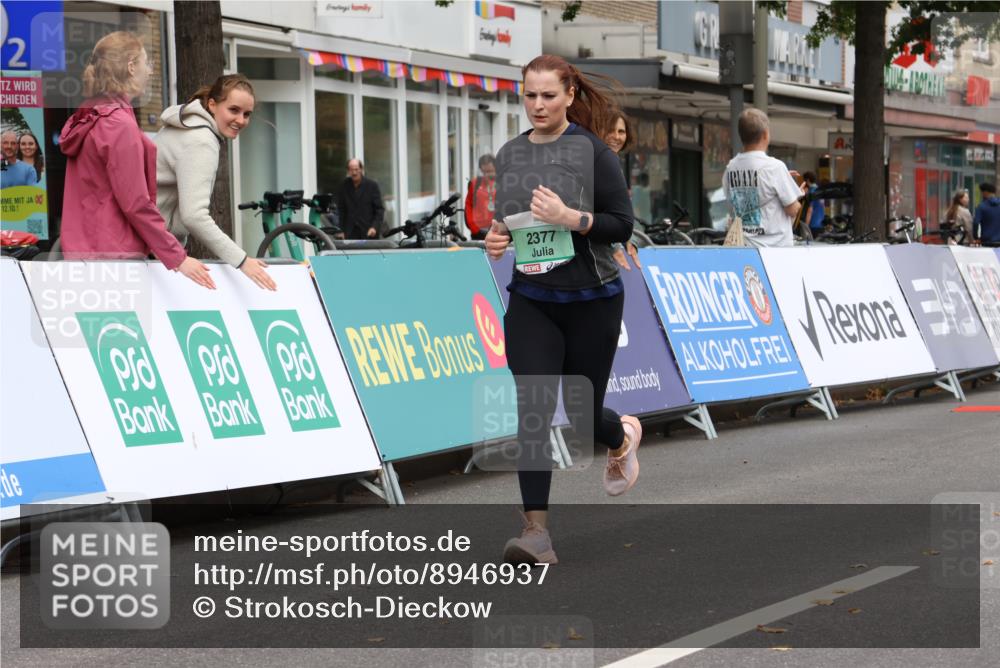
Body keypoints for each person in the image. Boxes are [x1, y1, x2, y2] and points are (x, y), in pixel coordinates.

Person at [485, 54, 640, 565]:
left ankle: (620, 436)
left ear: (569, 95)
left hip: (593, 300)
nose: (537, 105)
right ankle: (536, 532)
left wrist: (573, 218)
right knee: (533, 407)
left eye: (548, 95)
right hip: (532, 299)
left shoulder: (595, 153)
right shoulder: (509, 154)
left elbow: (622, 224)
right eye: (529, 95)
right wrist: (496, 238)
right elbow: (510, 222)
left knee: (580, 415)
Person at [59, 31, 213, 288]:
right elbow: (135, 203)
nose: (150, 71)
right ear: (131, 66)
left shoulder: (90, 117)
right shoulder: (119, 125)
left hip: (84, 254)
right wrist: (178, 257)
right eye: (147, 62)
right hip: (114, 259)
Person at [155, 74, 275, 291]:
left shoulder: (187, 125)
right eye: (234, 110)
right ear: (212, 104)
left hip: (147, 244)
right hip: (152, 248)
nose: (241, 120)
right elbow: (194, 216)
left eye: (247, 114)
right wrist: (242, 261)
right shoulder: (202, 141)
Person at [723, 108, 807, 247]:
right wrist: (798, 195)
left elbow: (733, 205)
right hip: (775, 250)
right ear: (765, 134)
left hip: (745, 246)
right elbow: (792, 209)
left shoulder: (730, 168)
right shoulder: (774, 167)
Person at [604, 109, 640, 271]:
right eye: (610, 131)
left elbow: (620, 211)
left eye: (621, 131)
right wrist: (615, 246)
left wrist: (628, 240)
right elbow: (597, 208)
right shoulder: (598, 163)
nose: (616, 137)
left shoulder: (613, 162)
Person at [337, 158, 385, 240]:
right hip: (350, 233)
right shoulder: (344, 186)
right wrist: (341, 230)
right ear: (348, 171)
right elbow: (341, 210)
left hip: (368, 232)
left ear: (361, 170)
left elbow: (379, 210)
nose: (354, 173)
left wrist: (374, 227)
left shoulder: (372, 186)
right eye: (351, 170)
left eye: (356, 169)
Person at [464, 154, 496, 240]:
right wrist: (474, 229)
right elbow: (468, 206)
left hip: (498, 230)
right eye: (483, 172)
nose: (486, 175)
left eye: (490, 171)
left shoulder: (504, 184)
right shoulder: (475, 184)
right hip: (478, 232)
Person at [973, 182, 1000, 247]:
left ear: (985, 192)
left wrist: (976, 237)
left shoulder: (981, 206)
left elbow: (976, 222)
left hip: (987, 241)